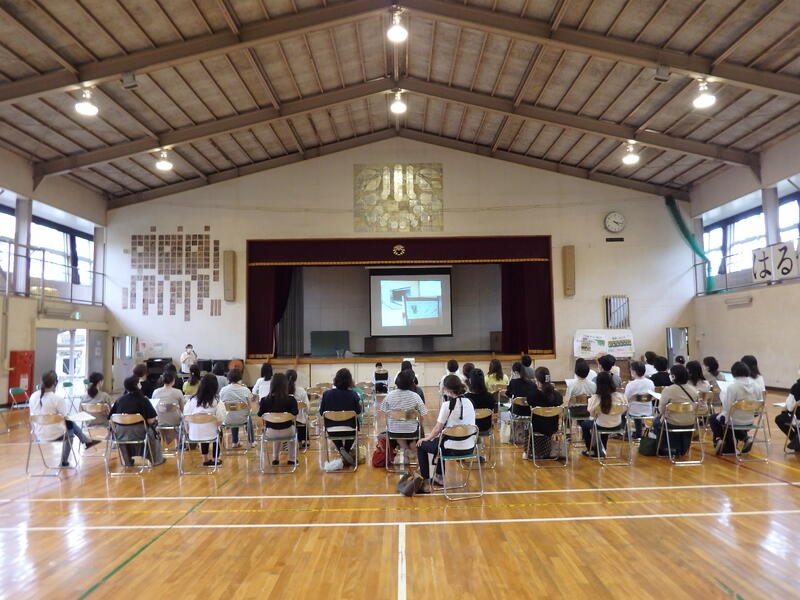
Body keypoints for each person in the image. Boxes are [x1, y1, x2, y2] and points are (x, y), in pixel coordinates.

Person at [416, 374, 477, 493]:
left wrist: (427, 438)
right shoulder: (470, 402)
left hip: (450, 448)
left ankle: (425, 481)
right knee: (441, 440)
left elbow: (438, 428)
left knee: (421, 445)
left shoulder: (447, 405)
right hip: (469, 447)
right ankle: (439, 476)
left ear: (448, 390)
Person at [29, 371, 100, 467]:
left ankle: (86, 440)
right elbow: (66, 418)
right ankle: (64, 461)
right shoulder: (57, 399)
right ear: (55, 383)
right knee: (70, 426)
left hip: (38, 433)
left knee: (69, 423)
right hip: (56, 434)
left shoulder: (33, 396)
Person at [109, 375, 164, 467]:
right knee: (153, 430)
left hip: (120, 433)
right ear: (137, 385)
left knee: (124, 432)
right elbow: (151, 421)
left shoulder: (119, 400)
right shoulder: (143, 400)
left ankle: (127, 461)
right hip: (140, 432)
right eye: (139, 383)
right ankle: (156, 459)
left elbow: (111, 418)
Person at [709, 362, 761, 455]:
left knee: (714, 418)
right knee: (728, 419)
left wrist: (723, 397)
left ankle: (720, 440)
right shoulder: (757, 386)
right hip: (749, 420)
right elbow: (759, 403)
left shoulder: (733, 387)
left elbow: (727, 407)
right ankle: (745, 438)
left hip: (734, 420)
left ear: (733, 373)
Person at [381, 369, 428, 463]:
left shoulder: (390, 395)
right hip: (412, 431)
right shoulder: (415, 396)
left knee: (397, 429)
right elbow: (423, 413)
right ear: (411, 383)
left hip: (393, 431)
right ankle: (411, 451)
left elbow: (384, 411)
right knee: (418, 428)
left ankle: (405, 450)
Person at [652, 364, 698, 456]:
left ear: (673, 377)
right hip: (690, 422)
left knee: (656, 422)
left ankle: (664, 447)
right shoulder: (694, 390)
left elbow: (661, 409)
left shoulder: (668, 390)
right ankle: (681, 448)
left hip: (672, 422)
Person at [319, 368, 362, 466]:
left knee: (334, 431)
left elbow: (322, 412)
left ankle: (341, 449)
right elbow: (358, 412)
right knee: (353, 430)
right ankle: (345, 450)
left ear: (336, 379)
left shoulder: (327, 394)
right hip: (350, 429)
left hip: (331, 429)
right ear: (349, 381)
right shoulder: (353, 394)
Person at [258, 372, 299, 465]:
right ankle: (292, 459)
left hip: (270, 433)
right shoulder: (291, 399)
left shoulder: (264, 400)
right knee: (292, 431)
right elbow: (295, 414)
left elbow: (260, 414)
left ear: (271, 385)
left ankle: (275, 458)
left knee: (275, 427)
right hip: (287, 431)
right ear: (285, 385)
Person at [581, 372, 626, 457]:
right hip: (618, 425)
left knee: (585, 424)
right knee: (604, 422)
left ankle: (591, 449)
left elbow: (592, 414)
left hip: (601, 425)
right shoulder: (620, 396)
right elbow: (624, 409)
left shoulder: (596, 398)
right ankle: (602, 448)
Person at [183, 374, 222, 466]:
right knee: (217, 431)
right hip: (211, 434)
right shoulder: (216, 401)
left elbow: (185, 416)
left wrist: (187, 430)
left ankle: (205, 458)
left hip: (193, 434)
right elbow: (221, 419)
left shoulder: (192, 400)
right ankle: (215, 458)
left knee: (203, 429)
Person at [525, 367, 564, 459]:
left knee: (527, 425)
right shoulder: (557, 395)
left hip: (537, 427)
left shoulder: (532, 395)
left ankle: (527, 451)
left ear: (537, 381)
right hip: (553, 427)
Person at [219, 368, 254, 448]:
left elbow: (220, 404)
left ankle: (235, 442)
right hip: (243, 419)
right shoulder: (245, 390)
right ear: (240, 378)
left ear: (229, 378)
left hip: (227, 420)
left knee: (232, 413)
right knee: (247, 416)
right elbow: (250, 405)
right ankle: (252, 441)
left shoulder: (223, 390)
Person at [623, 360, 655, 439]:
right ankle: (641, 431)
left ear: (633, 372)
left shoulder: (630, 384)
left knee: (623, 413)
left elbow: (625, 399)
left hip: (633, 411)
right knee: (637, 411)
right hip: (648, 411)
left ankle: (627, 434)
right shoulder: (650, 383)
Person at [152, 371, 184, 446]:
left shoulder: (156, 392)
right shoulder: (178, 392)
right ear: (173, 380)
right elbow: (183, 409)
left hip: (160, 422)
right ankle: (179, 444)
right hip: (175, 421)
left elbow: (153, 408)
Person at [465, 369, 495, 435]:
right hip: (486, 428)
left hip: (471, 429)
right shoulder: (490, 396)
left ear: (470, 381)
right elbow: (493, 412)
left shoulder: (466, 398)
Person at [775, 377, 800, 451]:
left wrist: (785, 409)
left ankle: (795, 439)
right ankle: (797, 439)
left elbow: (790, 407)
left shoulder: (797, 386)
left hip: (797, 418)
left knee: (779, 419)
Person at [286, 369, 309, 449]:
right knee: (304, 417)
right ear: (296, 378)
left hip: (285, 421)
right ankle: (301, 440)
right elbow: (307, 406)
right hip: (299, 420)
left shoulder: (282, 391)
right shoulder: (301, 390)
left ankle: (286, 442)